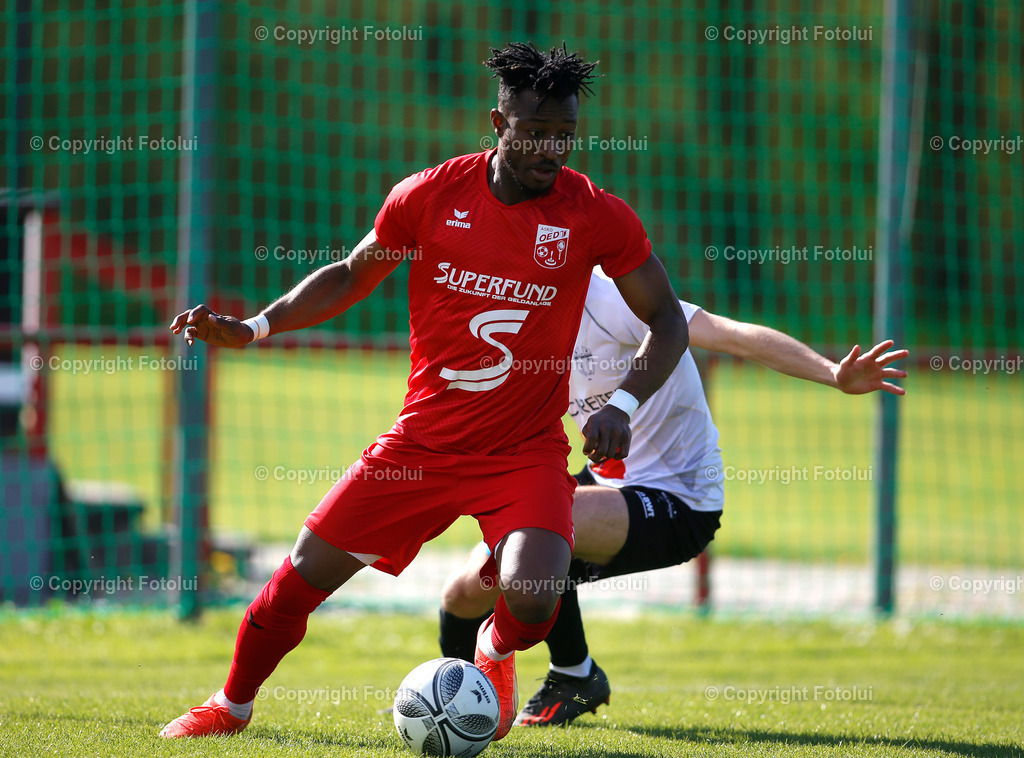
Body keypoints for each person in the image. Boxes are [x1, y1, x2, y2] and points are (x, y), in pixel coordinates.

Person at [160, 42, 691, 741]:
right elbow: (352, 274)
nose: (551, 150)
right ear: (497, 123)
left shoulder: (593, 214)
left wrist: (623, 405)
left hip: (522, 451)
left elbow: (667, 320)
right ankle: (229, 706)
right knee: (299, 579)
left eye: (564, 136)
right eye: (535, 133)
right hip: (423, 443)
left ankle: (494, 655)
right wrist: (258, 326)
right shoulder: (429, 196)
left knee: (533, 595)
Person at [437, 269, 909, 727]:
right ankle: (470, 705)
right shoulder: (523, 319)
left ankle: (555, 674)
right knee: (462, 594)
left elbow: (735, 336)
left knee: (547, 525)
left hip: (679, 501)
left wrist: (833, 373)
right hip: (607, 484)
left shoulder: (610, 300)